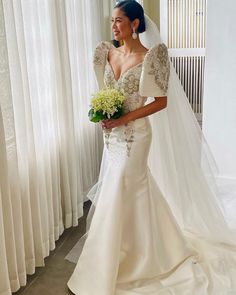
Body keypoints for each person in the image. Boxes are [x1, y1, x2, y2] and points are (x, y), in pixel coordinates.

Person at [67, 1, 236, 294]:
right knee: (122, 190)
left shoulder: (151, 57)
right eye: (112, 21)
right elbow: (105, 93)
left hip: (136, 136)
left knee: (122, 185)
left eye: (119, 21)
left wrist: (124, 117)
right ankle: (142, 248)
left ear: (135, 23)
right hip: (112, 137)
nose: (114, 26)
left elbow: (161, 102)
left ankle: (138, 261)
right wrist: (104, 114)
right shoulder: (106, 52)